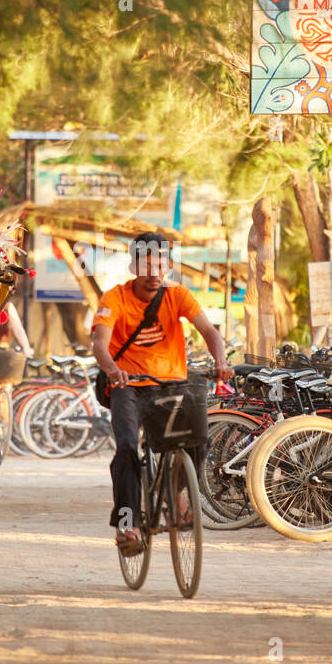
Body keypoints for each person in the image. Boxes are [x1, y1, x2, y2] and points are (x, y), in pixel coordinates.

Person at [92, 232, 231, 554]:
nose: (154, 272)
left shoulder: (178, 294)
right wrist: (113, 370)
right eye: (146, 264)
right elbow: (100, 344)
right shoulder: (114, 298)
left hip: (171, 383)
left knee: (198, 440)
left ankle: (177, 493)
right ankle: (127, 524)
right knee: (127, 448)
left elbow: (209, 331)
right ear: (133, 266)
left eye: (161, 265)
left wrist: (221, 362)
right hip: (128, 386)